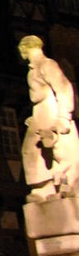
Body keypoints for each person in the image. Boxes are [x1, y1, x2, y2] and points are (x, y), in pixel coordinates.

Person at [21, 35, 77, 194]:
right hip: (40, 113)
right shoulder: (31, 71)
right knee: (30, 150)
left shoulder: (47, 64)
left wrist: (63, 118)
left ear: (26, 47)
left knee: (58, 151)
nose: (20, 51)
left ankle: (63, 185)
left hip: (51, 111)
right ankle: (41, 189)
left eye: (21, 48)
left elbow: (63, 89)